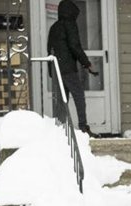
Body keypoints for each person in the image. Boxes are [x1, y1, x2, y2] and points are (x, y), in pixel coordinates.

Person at [47, 0, 95, 136]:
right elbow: (75, 46)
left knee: (62, 100)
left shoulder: (54, 27)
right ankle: (83, 126)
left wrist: (52, 70)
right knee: (79, 96)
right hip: (68, 69)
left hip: (57, 69)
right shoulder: (70, 25)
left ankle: (60, 129)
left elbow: (49, 49)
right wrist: (86, 63)